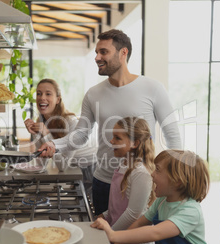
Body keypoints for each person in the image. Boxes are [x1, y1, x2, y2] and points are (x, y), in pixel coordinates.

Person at [38, 29, 181, 215]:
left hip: (142, 183)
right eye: (97, 52)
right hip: (103, 181)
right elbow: (81, 134)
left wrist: (174, 175)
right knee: (104, 239)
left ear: (123, 53)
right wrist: (53, 144)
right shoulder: (93, 94)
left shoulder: (152, 88)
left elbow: (172, 135)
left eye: (103, 52)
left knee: (139, 242)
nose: (97, 57)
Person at [91, 150, 210, 244]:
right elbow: (138, 223)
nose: (152, 174)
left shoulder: (191, 211)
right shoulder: (161, 201)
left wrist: (112, 234)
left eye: (157, 170)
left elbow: (156, 232)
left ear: (177, 181)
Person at [24, 78, 97, 197]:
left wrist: (46, 134)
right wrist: (36, 133)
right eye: (39, 93)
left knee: (89, 209)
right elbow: (41, 160)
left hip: (89, 167)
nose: (42, 97)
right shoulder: (42, 121)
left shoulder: (70, 122)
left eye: (48, 94)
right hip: (73, 167)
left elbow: (62, 166)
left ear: (58, 99)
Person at [99, 117, 156, 244]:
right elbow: (117, 204)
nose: (111, 141)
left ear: (135, 143)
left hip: (134, 242)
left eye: (117, 138)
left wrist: (110, 233)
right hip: (119, 234)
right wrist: (104, 215)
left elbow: (133, 213)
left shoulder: (140, 172)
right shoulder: (123, 164)